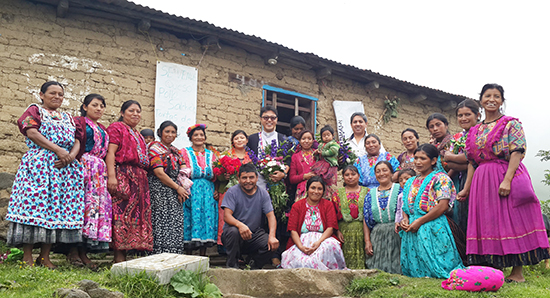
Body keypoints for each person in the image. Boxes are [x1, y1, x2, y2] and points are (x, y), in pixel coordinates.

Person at [459, 83, 549, 282]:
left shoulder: (511, 124)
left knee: (512, 220)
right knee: (489, 222)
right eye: (487, 96)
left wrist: (507, 180)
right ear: (481, 101)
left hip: (504, 173)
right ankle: (493, 269)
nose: (492, 99)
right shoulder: (475, 130)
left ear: (502, 101)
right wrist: (466, 188)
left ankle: (517, 273)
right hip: (482, 180)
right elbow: (472, 161)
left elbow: (517, 151)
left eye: (496, 96)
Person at [6, 81, 84, 269]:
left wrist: (70, 156)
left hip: (63, 170)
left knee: (55, 209)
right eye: (52, 93)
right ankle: (27, 256)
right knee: (34, 208)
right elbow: (31, 132)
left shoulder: (68, 118)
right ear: (41, 95)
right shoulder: (34, 111)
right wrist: (57, 150)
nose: (57, 97)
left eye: (60, 94)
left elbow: (77, 139)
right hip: (39, 168)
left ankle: (45, 257)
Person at [398, 144, 463, 278]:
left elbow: (443, 206)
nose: (418, 162)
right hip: (412, 225)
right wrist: (405, 219)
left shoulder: (441, 179)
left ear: (433, 161)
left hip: (433, 225)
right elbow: (405, 205)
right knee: (416, 269)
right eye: (416, 158)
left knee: (438, 263)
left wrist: (420, 221)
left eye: (423, 158)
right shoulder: (410, 181)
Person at [68, 94, 111, 269]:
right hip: (82, 166)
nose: (99, 108)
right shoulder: (78, 122)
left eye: (102, 106)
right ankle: (71, 250)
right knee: (79, 206)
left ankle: (83, 251)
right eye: (95, 105)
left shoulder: (102, 128)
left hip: (99, 171)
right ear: (85, 107)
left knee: (92, 210)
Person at [106, 100, 152, 262]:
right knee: (121, 214)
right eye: (131, 111)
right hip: (124, 174)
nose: (135, 114)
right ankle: (118, 257)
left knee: (136, 217)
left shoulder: (137, 134)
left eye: (138, 111)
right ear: (122, 113)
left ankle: (126, 256)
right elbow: (111, 152)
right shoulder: (116, 128)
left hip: (139, 179)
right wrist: (112, 176)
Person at [221, 163, 279, 269]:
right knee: (233, 232)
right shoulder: (232, 192)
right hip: (234, 234)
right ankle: (232, 266)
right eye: (244, 178)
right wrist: (240, 225)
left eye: (251, 177)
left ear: (257, 178)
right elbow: (227, 216)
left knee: (271, 244)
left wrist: (272, 236)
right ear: (239, 179)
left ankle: (253, 265)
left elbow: (271, 216)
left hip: (254, 235)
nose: (248, 181)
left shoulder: (263, 193)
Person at [281, 176, 346, 269]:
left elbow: (330, 227)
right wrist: (301, 247)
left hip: (323, 239)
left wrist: (319, 242)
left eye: (319, 189)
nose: (316, 191)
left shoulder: (328, 205)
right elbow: (293, 230)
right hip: (301, 241)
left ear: (323, 191)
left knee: (328, 249)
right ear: (307, 189)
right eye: (313, 188)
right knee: (302, 262)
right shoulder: (297, 206)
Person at [148, 121, 189, 254]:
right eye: (167, 132)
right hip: (159, 189)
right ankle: (158, 254)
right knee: (160, 220)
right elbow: (159, 173)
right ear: (160, 133)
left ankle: (173, 254)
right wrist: (178, 188)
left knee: (174, 221)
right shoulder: (154, 148)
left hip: (176, 190)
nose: (170, 135)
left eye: (173, 132)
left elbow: (184, 171)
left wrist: (182, 188)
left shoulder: (176, 151)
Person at [179, 124, 218, 256]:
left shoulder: (211, 155)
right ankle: (188, 255)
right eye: (195, 135)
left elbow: (217, 175)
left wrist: (216, 189)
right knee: (190, 217)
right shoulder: (184, 152)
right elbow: (181, 173)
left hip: (207, 190)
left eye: (201, 135)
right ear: (190, 137)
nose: (199, 137)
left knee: (207, 217)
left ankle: (203, 255)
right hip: (191, 189)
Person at [443, 99, 481, 233]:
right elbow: (456, 163)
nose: (463, 118)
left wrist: (450, 157)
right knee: (464, 217)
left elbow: (470, 158)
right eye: (460, 115)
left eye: (467, 114)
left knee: (478, 216)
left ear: (477, 115)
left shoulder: (480, 133)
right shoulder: (460, 137)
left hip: (479, 179)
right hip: (462, 179)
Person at [216, 130, 253, 253]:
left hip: (246, 193)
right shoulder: (225, 156)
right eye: (236, 138)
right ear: (232, 141)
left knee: (242, 217)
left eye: (242, 138)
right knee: (225, 217)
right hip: (228, 191)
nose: (239, 140)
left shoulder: (252, 156)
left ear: (247, 140)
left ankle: (242, 246)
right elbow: (218, 176)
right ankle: (223, 245)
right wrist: (224, 176)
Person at [363, 161, 402, 274]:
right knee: (377, 270)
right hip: (377, 236)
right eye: (378, 171)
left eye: (385, 170)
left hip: (397, 234)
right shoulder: (370, 194)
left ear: (392, 173)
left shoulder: (400, 189)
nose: (381, 174)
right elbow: (366, 219)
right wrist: (367, 241)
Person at [331, 165, 368, 269]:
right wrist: (337, 231)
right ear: (343, 177)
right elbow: (333, 215)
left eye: (353, 174)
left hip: (363, 230)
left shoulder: (367, 192)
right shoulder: (337, 194)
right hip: (344, 231)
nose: (350, 177)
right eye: (347, 175)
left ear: (359, 176)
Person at [247, 106, 287, 189]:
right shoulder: (252, 139)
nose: (269, 120)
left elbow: (288, 160)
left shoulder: (283, 139)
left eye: (272, 118)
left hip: (276, 182)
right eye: (266, 117)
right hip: (256, 183)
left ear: (276, 119)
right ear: (261, 119)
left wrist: (283, 174)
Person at [312, 125, 340, 195]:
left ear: (333, 135)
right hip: (322, 162)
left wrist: (323, 153)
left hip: (329, 162)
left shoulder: (334, 144)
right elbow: (318, 152)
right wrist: (316, 153)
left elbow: (333, 151)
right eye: (324, 135)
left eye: (328, 135)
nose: (326, 137)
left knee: (326, 176)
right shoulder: (321, 145)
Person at [289, 130, 316, 201]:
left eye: (309, 139)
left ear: (313, 140)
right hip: (302, 191)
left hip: (318, 189)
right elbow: (292, 179)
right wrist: (304, 176)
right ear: (299, 141)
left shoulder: (318, 154)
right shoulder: (295, 156)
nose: (306, 141)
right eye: (303, 139)